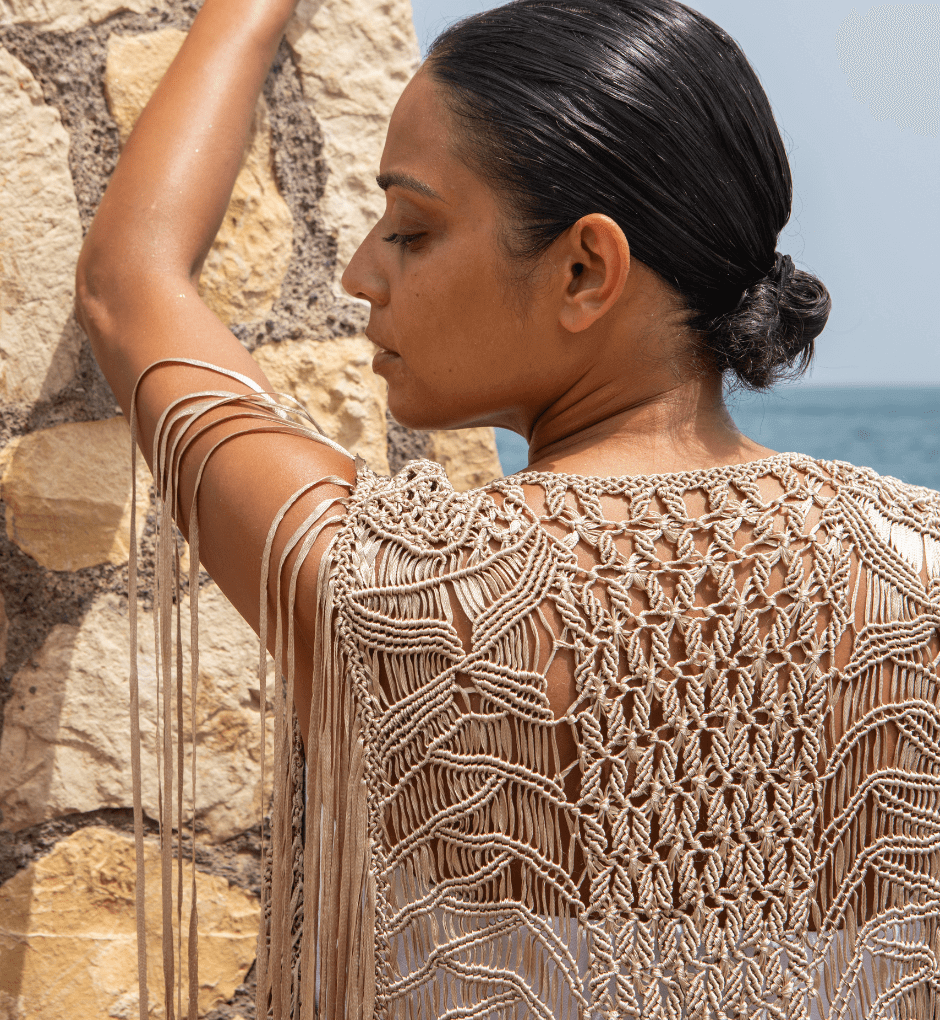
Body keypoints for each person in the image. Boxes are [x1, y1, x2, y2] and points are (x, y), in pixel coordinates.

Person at [75, 0, 940, 1016]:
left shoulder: (388, 591)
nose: (360, 273)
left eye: (410, 228)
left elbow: (126, 289)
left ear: (584, 269)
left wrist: (248, 14)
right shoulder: (918, 574)